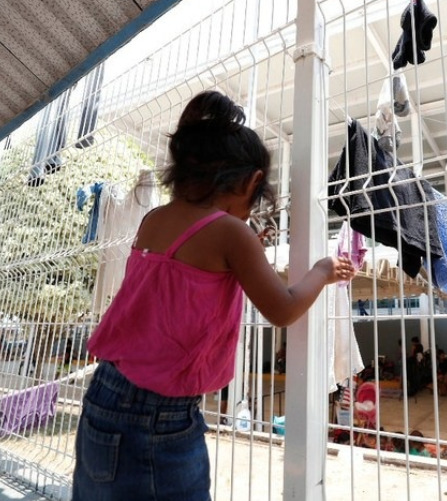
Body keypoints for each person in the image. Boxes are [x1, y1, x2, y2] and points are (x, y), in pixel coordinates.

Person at [71, 91, 356, 501]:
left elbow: (181, 282)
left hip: (106, 393)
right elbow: (283, 308)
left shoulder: (155, 219)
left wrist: (247, 247)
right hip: (160, 415)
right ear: (252, 181)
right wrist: (322, 271)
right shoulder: (231, 233)